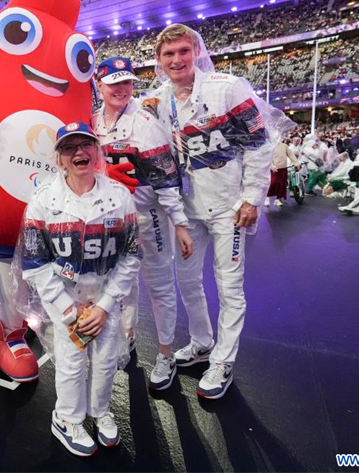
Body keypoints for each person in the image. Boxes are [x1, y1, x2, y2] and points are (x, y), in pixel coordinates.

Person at [144, 23, 278, 399]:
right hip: (186, 213)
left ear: (196, 52)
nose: (177, 60)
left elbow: (259, 143)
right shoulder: (156, 101)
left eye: (183, 51)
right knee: (187, 282)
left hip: (227, 209)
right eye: (168, 54)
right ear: (158, 60)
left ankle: (223, 360)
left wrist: (252, 196)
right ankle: (203, 342)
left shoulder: (227, 87)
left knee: (229, 286)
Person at [21, 122, 141, 456]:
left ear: (97, 151)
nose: (79, 153)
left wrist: (104, 305)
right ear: (59, 160)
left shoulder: (119, 197)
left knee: (105, 361)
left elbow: (132, 255)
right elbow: (34, 263)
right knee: (72, 364)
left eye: (85, 145)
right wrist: (67, 309)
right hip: (67, 303)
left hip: (106, 298)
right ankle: (67, 419)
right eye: (69, 148)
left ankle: (100, 412)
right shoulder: (42, 202)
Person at [92, 56, 193, 390]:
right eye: (114, 82)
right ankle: (127, 335)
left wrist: (179, 222)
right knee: (120, 284)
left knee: (159, 285)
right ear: (99, 84)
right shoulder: (93, 122)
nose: (122, 89)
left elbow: (165, 178)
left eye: (127, 82)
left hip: (147, 216)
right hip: (112, 218)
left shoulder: (144, 122)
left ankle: (165, 353)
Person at [265, 137, 300, 206]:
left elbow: (291, 154)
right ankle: (266, 198)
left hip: (283, 169)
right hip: (274, 169)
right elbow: (267, 158)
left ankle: (278, 199)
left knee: (282, 185)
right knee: (272, 184)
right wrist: (272, 166)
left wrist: (297, 163)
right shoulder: (269, 146)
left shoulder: (284, 146)